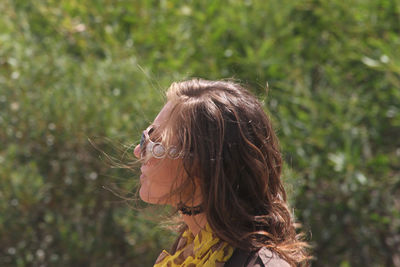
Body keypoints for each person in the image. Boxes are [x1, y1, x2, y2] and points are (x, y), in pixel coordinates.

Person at [133, 79, 310, 266]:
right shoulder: (187, 253)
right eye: (146, 136)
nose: (138, 151)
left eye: (155, 143)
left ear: (200, 164)